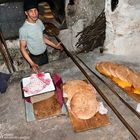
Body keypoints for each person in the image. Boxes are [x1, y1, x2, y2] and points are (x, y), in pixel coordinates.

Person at [19, 0, 63, 73]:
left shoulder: (39, 22)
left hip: (45, 54)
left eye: (35, 10)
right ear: (26, 13)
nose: (34, 14)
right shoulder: (23, 29)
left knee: (47, 74)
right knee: (39, 78)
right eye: (31, 11)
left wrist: (55, 46)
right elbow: (22, 48)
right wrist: (32, 63)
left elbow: (42, 38)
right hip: (35, 59)